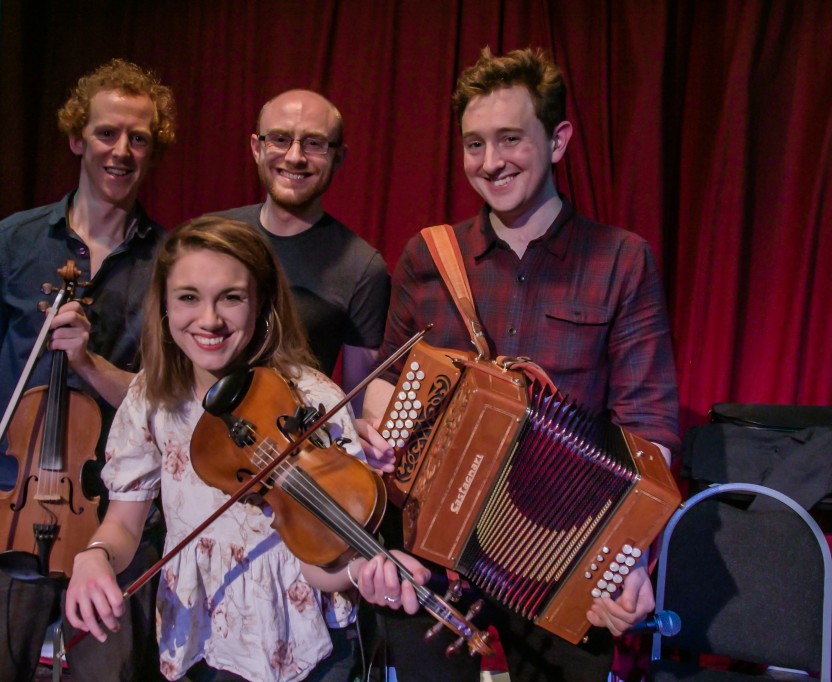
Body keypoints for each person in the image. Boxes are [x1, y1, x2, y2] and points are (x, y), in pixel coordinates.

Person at [355, 47, 681, 681]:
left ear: (557, 141)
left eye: (510, 139)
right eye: (474, 144)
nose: (490, 162)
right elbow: (385, 384)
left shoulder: (621, 260)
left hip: (562, 551)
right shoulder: (427, 255)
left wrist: (627, 557)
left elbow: (649, 431)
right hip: (434, 545)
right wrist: (378, 431)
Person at [64, 216, 427, 682]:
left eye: (231, 297)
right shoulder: (152, 398)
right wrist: (95, 555)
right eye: (188, 298)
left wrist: (360, 574)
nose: (210, 319)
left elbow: (321, 565)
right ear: (164, 308)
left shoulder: (311, 399)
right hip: (201, 634)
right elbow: (123, 524)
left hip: (305, 648)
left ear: (261, 305)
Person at [0, 58, 176, 681]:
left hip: (116, 508)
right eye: (107, 133)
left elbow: (163, 396)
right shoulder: (14, 239)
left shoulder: (172, 261)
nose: (121, 151)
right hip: (7, 498)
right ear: (76, 138)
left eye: (138, 138)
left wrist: (87, 363)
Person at [214, 89, 390, 409]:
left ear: (339, 157)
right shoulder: (211, 239)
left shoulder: (362, 267)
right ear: (257, 148)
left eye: (314, 143)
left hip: (289, 446)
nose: (295, 157)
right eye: (280, 139)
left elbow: (356, 402)